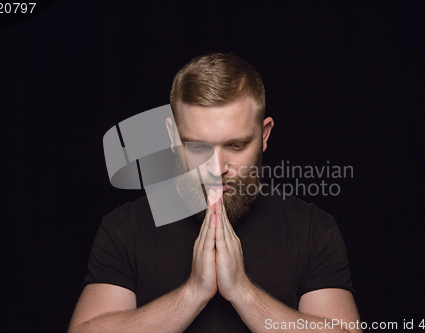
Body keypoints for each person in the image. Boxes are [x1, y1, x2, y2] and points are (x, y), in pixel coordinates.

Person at [68, 53, 362, 332]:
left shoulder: (313, 229)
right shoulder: (124, 228)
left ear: (264, 135)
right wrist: (192, 293)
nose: (217, 167)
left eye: (235, 145)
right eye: (197, 147)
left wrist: (243, 292)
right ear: (172, 138)